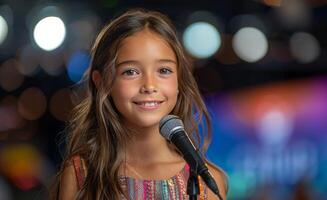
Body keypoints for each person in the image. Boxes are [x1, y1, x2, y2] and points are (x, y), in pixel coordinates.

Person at [51, 8, 228, 200]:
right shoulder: (82, 176)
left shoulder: (207, 182)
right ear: (102, 82)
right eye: (130, 72)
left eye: (164, 70)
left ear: (180, 80)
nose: (149, 86)